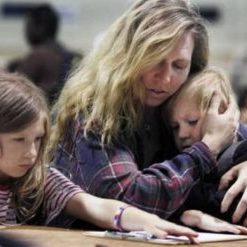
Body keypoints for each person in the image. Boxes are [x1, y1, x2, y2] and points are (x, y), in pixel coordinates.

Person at [49, 0, 239, 221]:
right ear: (127, 57)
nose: (166, 78)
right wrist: (206, 149)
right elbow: (130, 202)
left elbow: (233, 132)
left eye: (179, 66)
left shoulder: (174, 99)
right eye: (155, 61)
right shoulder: (92, 112)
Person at [0, 71, 205, 242]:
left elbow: (94, 206)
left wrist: (149, 222)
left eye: (38, 139)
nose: (32, 153)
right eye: (19, 140)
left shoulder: (40, 179)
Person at [163, 66, 247, 226]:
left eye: (192, 122)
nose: (182, 134)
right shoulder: (175, 160)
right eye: (175, 126)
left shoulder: (242, 147)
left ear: (223, 114)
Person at [6, 4, 82, 106]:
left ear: (39, 27)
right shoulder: (75, 57)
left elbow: (12, 94)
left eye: (28, 26)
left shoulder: (37, 57)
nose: (25, 32)